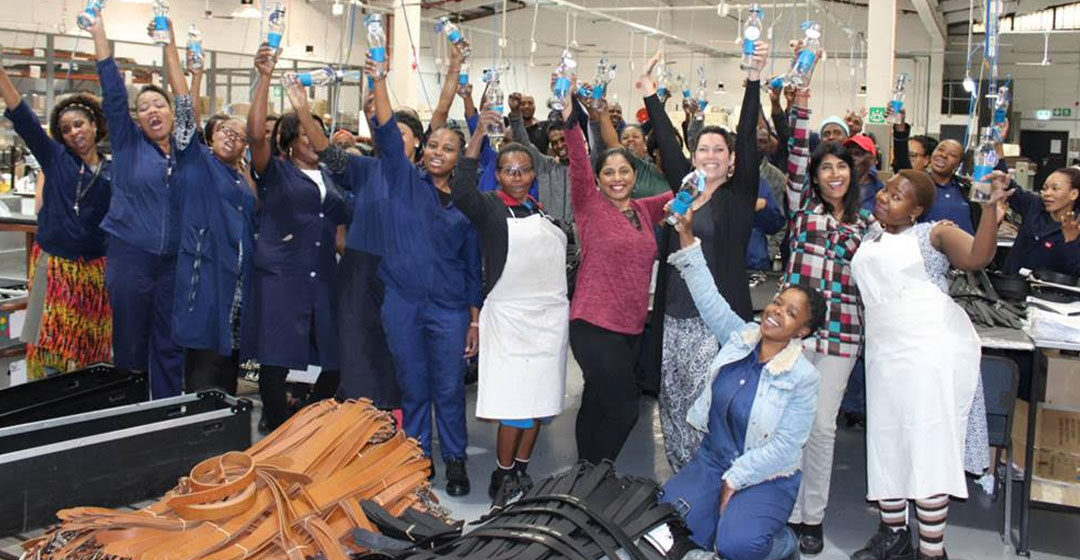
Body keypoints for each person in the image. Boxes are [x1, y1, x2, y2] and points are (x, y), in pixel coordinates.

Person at [850, 170, 1006, 560]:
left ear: (917, 210)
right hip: (886, 355)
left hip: (929, 353)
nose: (885, 197)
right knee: (886, 441)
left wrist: (988, 210)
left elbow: (977, 256)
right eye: (886, 190)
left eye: (898, 196)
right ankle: (894, 535)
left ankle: (932, 551)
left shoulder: (933, 233)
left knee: (928, 446)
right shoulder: (872, 233)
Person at [661, 205, 824, 560]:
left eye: (791, 313)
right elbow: (709, 298)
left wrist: (736, 478)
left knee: (738, 545)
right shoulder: (741, 338)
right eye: (778, 303)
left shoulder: (803, 376)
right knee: (664, 526)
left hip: (766, 476)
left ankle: (782, 545)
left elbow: (786, 447)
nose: (777, 311)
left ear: (803, 332)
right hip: (712, 461)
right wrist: (687, 235)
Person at [637, 42, 768, 471]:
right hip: (674, 313)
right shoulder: (686, 190)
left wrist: (753, 80)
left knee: (707, 407)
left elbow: (748, 135)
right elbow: (669, 149)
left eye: (719, 150)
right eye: (703, 150)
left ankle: (708, 481)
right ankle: (681, 480)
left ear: (731, 162)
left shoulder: (739, 196)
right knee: (672, 402)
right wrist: (650, 93)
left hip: (716, 320)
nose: (709, 156)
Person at [366, 51, 481, 497]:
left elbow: (473, 266)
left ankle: (454, 459)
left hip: (450, 309)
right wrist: (379, 79)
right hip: (403, 303)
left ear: (459, 158)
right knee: (413, 387)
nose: (437, 152)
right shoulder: (401, 178)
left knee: (449, 390)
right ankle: (416, 458)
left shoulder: (467, 204)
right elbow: (386, 133)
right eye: (432, 145)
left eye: (448, 148)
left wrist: (473, 319)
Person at [453, 114, 570, 503]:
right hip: (509, 320)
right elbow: (461, 190)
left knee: (538, 404)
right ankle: (502, 477)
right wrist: (477, 138)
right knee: (515, 406)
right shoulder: (488, 207)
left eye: (523, 171)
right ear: (498, 175)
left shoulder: (539, 210)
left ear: (533, 174)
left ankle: (521, 468)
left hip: (548, 322)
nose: (516, 177)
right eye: (508, 171)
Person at [561, 85, 674, 467]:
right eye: (608, 172)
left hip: (630, 329)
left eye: (624, 170)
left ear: (634, 174)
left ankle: (584, 473)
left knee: (596, 401)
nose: (617, 178)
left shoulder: (644, 211)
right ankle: (598, 469)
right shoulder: (590, 206)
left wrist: (713, 171)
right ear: (599, 179)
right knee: (625, 408)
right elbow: (579, 161)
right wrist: (569, 117)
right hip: (592, 324)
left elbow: (683, 189)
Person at [782, 87, 874, 556]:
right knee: (783, 421)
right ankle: (785, 508)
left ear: (851, 174)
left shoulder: (867, 226)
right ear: (814, 177)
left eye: (841, 166)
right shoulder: (804, 212)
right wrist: (801, 101)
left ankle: (811, 516)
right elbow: (797, 149)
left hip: (841, 335)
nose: (833, 173)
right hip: (794, 329)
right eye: (825, 167)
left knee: (819, 426)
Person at [245, 46, 347, 431]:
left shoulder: (334, 180)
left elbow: (340, 234)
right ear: (288, 141)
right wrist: (265, 78)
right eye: (305, 133)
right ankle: (277, 426)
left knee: (335, 362)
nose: (313, 138)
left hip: (322, 278)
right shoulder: (276, 172)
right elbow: (255, 135)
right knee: (275, 360)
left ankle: (301, 421)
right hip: (281, 276)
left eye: (317, 132)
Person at [90, 14, 185, 398]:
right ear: (137, 119)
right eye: (143, 106)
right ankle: (126, 413)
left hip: (174, 261)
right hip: (131, 254)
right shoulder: (129, 145)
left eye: (157, 103)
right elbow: (113, 91)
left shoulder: (186, 150)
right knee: (130, 341)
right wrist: (98, 32)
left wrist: (170, 44)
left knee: (169, 341)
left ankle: (164, 412)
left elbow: (186, 99)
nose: (151, 110)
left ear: (170, 112)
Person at [0, 61, 111, 381]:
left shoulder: (113, 173)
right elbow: (22, 116)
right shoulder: (54, 157)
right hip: (55, 269)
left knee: (90, 352)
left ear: (93, 124)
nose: (74, 132)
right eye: (66, 129)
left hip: (94, 275)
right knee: (51, 348)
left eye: (79, 124)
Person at [166, 31, 256, 395]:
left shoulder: (242, 179)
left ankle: (226, 445)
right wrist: (194, 71)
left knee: (227, 377)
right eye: (224, 130)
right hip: (205, 286)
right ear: (210, 135)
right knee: (202, 376)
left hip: (237, 290)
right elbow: (185, 110)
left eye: (240, 134)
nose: (231, 136)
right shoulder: (196, 161)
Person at [1000, 167, 1080, 277]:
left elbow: (1074, 272)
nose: (1047, 193)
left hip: (1048, 291)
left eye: (1055, 189)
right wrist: (1005, 180)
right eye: (1045, 188)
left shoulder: (1076, 227)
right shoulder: (1035, 205)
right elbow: (1012, 190)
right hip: (1010, 285)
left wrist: (1071, 242)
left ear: (1074, 194)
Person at [844, 135, 884, 212]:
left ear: (872, 159)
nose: (851, 158)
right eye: (848, 154)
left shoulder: (880, 191)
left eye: (857, 153)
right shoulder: (839, 186)